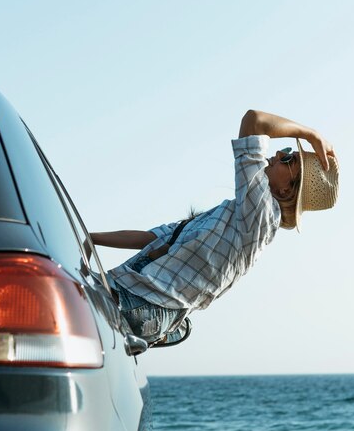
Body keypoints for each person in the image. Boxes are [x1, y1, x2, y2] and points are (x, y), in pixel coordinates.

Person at [89, 109, 339, 347]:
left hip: (139, 299)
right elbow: (151, 237)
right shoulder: (236, 213)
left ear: (286, 190)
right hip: (138, 299)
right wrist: (90, 238)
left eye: (288, 158)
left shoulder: (261, 215)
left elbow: (254, 120)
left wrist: (310, 135)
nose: (275, 154)